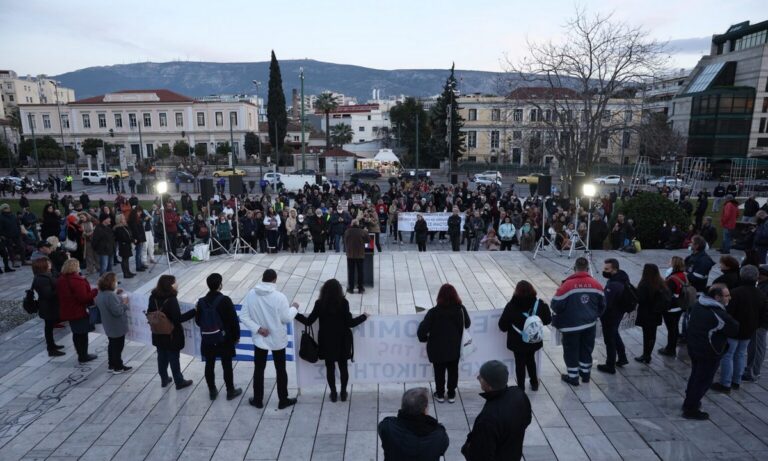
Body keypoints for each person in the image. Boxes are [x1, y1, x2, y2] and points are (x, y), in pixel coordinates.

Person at [295, 279, 368, 402]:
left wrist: (294, 313)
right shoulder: (344, 303)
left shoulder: (320, 303)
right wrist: (364, 316)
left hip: (326, 341)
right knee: (343, 367)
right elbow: (350, 323)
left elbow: (308, 321)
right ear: (339, 290)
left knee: (330, 368)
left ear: (324, 290)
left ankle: (333, 394)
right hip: (342, 340)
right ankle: (343, 393)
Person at [240, 269, 299, 409]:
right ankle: (283, 399)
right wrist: (294, 308)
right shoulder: (280, 297)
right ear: (274, 280)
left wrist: (258, 329)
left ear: (263, 278)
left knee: (259, 369)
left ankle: (258, 400)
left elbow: (243, 316)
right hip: (278, 339)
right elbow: (286, 318)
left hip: (260, 338)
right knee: (281, 369)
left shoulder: (251, 294)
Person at [682, 284, 738, 420]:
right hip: (709, 352)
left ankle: (689, 401)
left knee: (696, 376)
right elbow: (734, 328)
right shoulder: (718, 314)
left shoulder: (698, 304)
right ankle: (691, 409)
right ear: (717, 297)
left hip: (695, 347)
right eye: (726, 295)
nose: (729, 298)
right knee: (703, 380)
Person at [461, 360, 532, 461]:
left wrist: (467, 448)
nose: (478, 378)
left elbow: (481, 456)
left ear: (489, 386)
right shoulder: (518, 393)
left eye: (481, 377)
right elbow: (527, 420)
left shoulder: (488, 419)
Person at [551, 257, 606, 385]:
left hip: (570, 326)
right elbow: (603, 305)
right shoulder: (596, 284)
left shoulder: (567, 285)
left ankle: (573, 377)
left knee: (571, 351)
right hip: (589, 325)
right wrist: (594, 315)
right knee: (586, 349)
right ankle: (585, 375)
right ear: (587, 269)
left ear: (575, 268)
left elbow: (555, 305)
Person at [712, 265, 763, 393]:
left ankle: (725, 383)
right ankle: (736, 381)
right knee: (740, 355)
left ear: (742, 275)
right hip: (749, 329)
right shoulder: (760, 293)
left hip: (734, 330)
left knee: (728, 355)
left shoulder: (735, 292)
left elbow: (728, 312)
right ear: (756, 277)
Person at [417, 283, 471, 403]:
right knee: (453, 371)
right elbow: (467, 324)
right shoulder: (461, 309)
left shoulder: (433, 312)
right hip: (455, 347)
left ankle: (440, 394)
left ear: (439, 297)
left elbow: (421, 331)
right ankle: (451, 394)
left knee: (439, 372)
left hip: (437, 349)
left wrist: (425, 339)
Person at [196, 273, 243, 401]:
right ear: (220, 285)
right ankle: (230, 390)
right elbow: (234, 321)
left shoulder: (201, 302)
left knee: (209, 364)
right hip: (224, 339)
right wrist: (236, 337)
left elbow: (198, 322)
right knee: (226, 365)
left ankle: (212, 390)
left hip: (208, 339)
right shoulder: (225, 300)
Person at [498, 280, 551, 391]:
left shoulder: (511, 306)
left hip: (517, 343)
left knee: (520, 363)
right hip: (534, 341)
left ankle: (521, 388)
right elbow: (547, 320)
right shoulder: (539, 304)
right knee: (531, 359)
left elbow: (502, 326)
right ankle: (534, 383)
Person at [147, 275, 196, 389]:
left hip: (158, 333)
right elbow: (177, 319)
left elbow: (150, 312)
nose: (177, 284)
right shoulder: (172, 300)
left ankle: (164, 379)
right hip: (171, 335)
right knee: (174, 358)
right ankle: (179, 381)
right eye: (175, 282)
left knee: (161, 357)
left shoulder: (153, 297)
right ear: (170, 285)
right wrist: (194, 311)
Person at [378, 387, 449, 461]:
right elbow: (442, 449)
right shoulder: (439, 435)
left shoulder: (388, 426)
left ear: (403, 406)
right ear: (425, 409)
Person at [57, 258, 98, 363]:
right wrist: (95, 291)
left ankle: (80, 354)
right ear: (75, 267)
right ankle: (83, 356)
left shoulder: (61, 279)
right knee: (82, 334)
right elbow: (84, 298)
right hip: (79, 311)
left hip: (68, 310)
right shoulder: (77, 281)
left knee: (76, 333)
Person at [94, 272, 132, 374]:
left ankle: (111, 365)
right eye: (115, 281)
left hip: (108, 324)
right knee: (118, 347)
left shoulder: (101, 293)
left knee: (112, 345)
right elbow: (117, 311)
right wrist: (125, 303)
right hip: (116, 326)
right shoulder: (110, 296)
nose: (116, 283)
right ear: (111, 283)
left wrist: (115, 293)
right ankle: (118, 367)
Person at [597, 258, 629, 374]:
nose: (604, 271)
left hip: (610, 316)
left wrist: (598, 312)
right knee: (615, 334)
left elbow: (606, 303)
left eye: (607, 269)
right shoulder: (622, 277)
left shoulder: (614, 285)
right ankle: (622, 358)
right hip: (618, 313)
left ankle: (610, 365)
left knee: (609, 340)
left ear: (614, 269)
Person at [634, 264, 671, 364]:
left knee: (646, 335)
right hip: (656, 313)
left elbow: (640, 299)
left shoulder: (645, 283)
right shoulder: (660, 282)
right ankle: (648, 354)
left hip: (646, 313)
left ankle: (645, 355)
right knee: (652, 335)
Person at [31, 257, 64, 357]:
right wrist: (60, 288)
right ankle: (51, 349)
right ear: (43, 265)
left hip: (49, 306)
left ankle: (52, 345)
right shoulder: (42, 279)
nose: (50, 264)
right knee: (48, 328)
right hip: (48, 307)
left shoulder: (46, 275)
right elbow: (47, 294)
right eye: (48, 263)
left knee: (49, 327)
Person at [659, 256, 689, 357]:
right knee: (675, 328)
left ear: (674, 264)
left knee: (671, 329)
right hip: (680, 306)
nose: (669, 262)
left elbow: (667, 295)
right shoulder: (683, 275)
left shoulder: (672, 279)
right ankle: (671, 347)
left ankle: (670, 349)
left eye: (670, 261)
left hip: (672, 308)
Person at [743, 264, 768, 382]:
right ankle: (752, 369)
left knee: (757, 347)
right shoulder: (763, 285)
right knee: (756, 346)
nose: (758, 276)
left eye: (761, 274)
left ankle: (752, 373)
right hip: (760, 321)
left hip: (760, 322)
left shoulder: (765, 287)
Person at [344, 219, 368, 294]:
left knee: (351, 272)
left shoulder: (347, 231)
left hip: (350, 254)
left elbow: (345, 240)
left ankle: (351, 288)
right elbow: (368, 240)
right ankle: (360, 288)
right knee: (360, 272)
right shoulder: (362, 231)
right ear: (358, 224)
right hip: (360, 254)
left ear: (352, 224)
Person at [113, 214, 135, 279]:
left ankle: (128, 271)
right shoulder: (118, 228)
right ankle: (125, 273)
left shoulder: (124, 226)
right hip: (123, 246)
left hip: (127, 245)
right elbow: (123, 237)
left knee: (127, 259)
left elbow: (129, 234)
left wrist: (132, 239)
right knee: (124, 260)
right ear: (119, 220)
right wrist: (131, 240)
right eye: (123, 218)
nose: (124, 219)